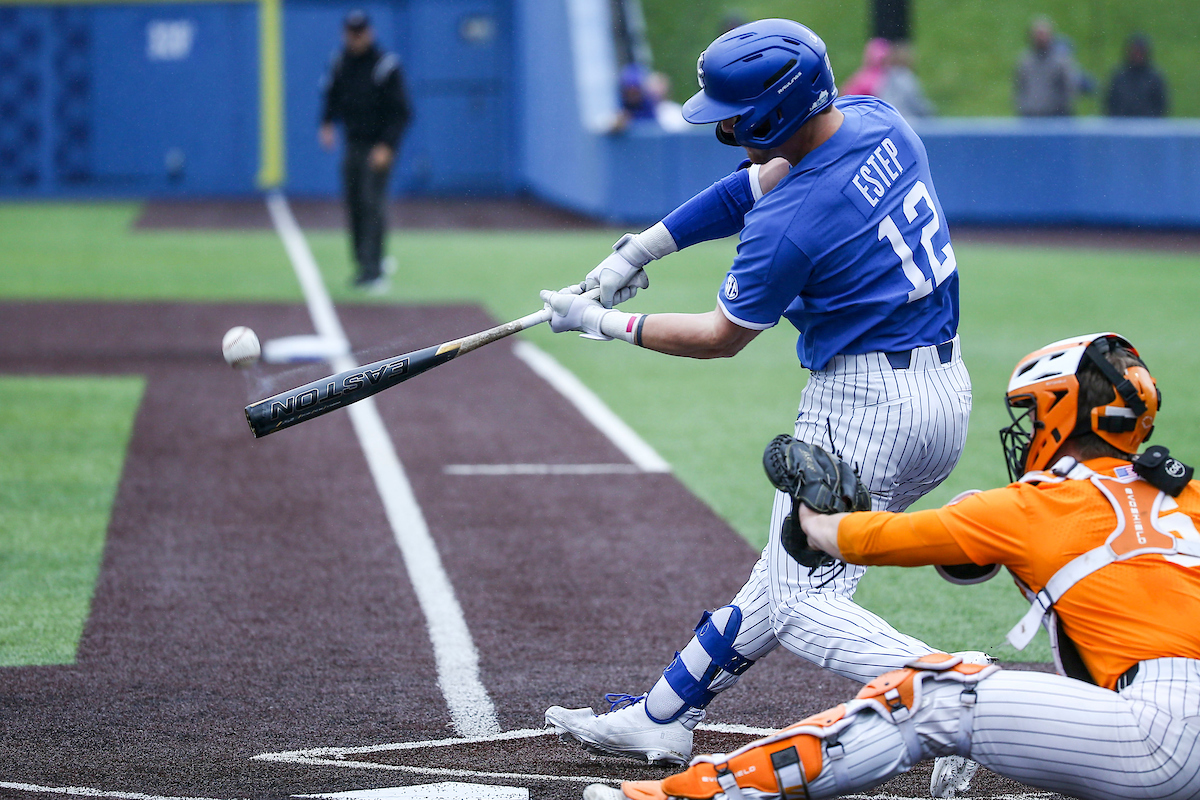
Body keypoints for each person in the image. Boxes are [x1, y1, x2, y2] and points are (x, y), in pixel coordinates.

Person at [540, 17, 978, 797]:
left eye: (736, 117)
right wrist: (637, 251)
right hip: (942, 398)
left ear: (776, 113)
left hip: (861, 409)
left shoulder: (790, 225)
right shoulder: (878, 120)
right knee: (782, 575)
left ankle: (955, 688)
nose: (728, 127)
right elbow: (750, 185)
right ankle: (666, 712)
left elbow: (718, 336)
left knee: (803, 602)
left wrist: (603, 323)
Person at [582, 331, 1200, 800]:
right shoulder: (1184, 494)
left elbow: (884, 538)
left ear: (1061, 415)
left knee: (924, 694)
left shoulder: (1038, 503)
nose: (1027, 430)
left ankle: (676, 795)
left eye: (1035, 415)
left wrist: (817, 524)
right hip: (1166, 718)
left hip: (1159, 735)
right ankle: (663, 714)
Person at [319, 10, 412, 293]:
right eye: (351, 32)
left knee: (373, 204)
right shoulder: (340, 62)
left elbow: (402, 112)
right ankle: (362, 264)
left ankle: (375, 268)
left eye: (360, 32)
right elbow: (332, 95)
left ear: (369, 33)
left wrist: (387, 146)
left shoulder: (385, 65)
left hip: (378, 145)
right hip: (353, 143)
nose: (356, 38)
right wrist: (325, 123)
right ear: (345, 33)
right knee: (355, 204)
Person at [1013, 16, 1078, 117]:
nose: (1041, 38)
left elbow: (1069, 87)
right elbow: (1019, 87)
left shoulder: (1060, 61)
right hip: (1030, 114)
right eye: (1038, 34)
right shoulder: (1025, 61)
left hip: (1054, 115)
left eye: (1043, 34)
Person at [1106, 33, 1168, 117]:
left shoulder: (1154, 78)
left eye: (1140, 52)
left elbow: (1161, 105)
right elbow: (1110, 103)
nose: (1137, 56)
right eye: (1134, 52)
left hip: (1147, 126)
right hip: (1121, 126)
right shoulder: (1119, 77)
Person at [879, 43, 935, 121]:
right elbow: (916, 102)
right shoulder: (905, 77)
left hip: (889, 121)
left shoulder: (885, 77)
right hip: (908, 121)